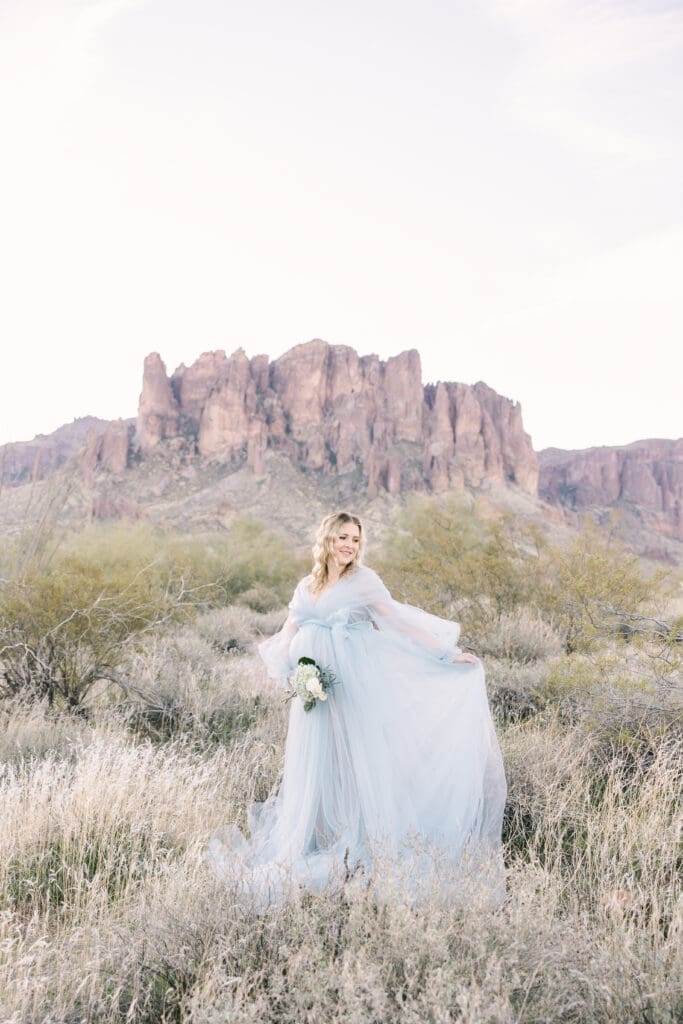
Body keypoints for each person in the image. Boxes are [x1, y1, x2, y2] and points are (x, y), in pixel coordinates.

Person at [207, 511, 507, 904]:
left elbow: (397, 621)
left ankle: (365, 845)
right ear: (327, 540)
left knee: (357, 759)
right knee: (320, 763)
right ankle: (320, 839)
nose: (349, 545)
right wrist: (288, 669)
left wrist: (445, 654)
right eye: (343, 537)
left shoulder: (364, 581)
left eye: (355, 539)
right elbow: (290, 630)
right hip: (315, 695)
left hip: (354, 689)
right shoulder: (307, 586)